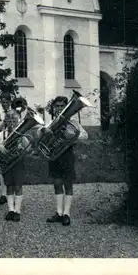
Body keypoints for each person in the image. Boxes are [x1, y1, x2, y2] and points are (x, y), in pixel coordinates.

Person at [44, 96, 88, 226]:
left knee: (68, 183)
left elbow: (85, 136)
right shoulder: (51, 122)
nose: (59, 108)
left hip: (67, 155)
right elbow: (41, 135)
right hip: (54, 155)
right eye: (56, 106)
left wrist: (71, 134)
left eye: (61, 106)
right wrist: (44, 131)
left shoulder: (72, 122)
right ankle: (59, 213)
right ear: (53, 108)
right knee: (57, 183)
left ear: (66, 107)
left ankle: (66, 213)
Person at [0, 110, 30, 222]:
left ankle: (17, 210)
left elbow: (28, 147)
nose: (12, 122)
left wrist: (22, 142)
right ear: (6, 121)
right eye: (9, 120)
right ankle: (10, 210)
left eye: (14, 120)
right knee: (9, 187)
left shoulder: (21, 133)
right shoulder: (2, 134)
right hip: (7, 164)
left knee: (18, 186)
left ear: (18, 121)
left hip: (18, 163)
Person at [0, 93, 12, 205]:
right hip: (2, 140)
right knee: (2, 169)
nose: (5, 104)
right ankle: (3, 194)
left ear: (10, 102)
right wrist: (3, 122)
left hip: (12, 139)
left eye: (6, 102)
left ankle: (12, 193)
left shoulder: (14, 111)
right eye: (3, 102)